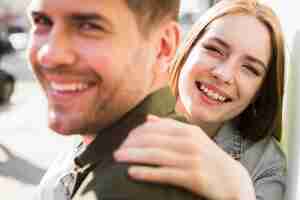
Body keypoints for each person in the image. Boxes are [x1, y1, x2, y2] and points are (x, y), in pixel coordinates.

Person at [25, 0, 209, 199]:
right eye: (42, 21)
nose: (49, 55)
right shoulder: (101, 137)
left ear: (163, 45)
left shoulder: (137, 183)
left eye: (89, 26)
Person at [114, 0, 286, 200]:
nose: (224, 74)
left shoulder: (263, 163)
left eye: (250, 69)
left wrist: (238, 192)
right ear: (188, 48)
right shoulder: (123, 110)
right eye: (215, 49)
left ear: (260, 91)